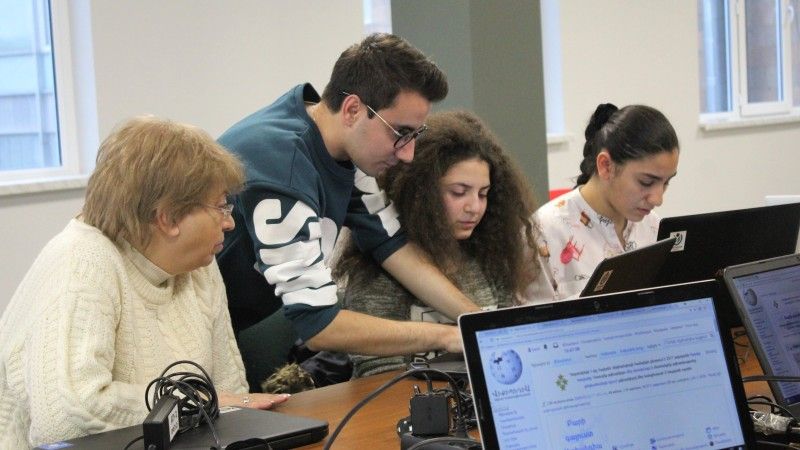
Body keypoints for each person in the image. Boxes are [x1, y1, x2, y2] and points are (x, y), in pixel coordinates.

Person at [0, 117, 289, 448]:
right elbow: (68, 415)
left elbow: (230, 395)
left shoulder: (197, 264)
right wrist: (201, 404)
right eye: (220, 206)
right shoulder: (81, 261)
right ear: (166, 217)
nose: (228, 222)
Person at [216, 33, 480, 362]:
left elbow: (393, 246)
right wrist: (448, 337)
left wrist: (478, 322)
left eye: (416, 135)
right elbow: (320, 326)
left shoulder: (340, 145)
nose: (409, 154)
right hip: (191, 336)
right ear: (353, 110)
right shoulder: (283, 168)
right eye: (401, 134)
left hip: (227, 327)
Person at [332, 110, 539, 377]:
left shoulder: (489, 258)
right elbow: (378, 373)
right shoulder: (380, 272)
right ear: (420, 192)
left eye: (483, 194)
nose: (474, 207)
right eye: (458, 192)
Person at [523, 103, 680, 302]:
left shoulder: (653, 227)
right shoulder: (543, 233)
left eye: (666, 183)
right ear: (606, 166)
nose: (658, 199)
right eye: (646, 182)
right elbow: (528, 324)